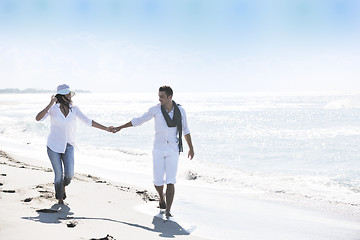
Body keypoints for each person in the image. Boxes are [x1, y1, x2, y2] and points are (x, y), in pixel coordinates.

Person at [113, 86, 194, 217]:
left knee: (170, 181)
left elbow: (186, 129)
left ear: (170, 97)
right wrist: (120, 127)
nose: (159, 98)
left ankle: (168, 211)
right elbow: (139, 120)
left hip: (173, 149)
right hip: (158, 149)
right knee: (157, 181)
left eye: (162, 96)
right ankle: (161, 199)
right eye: (159, 96)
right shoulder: (156, 110)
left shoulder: (180, 111)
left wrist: (191, 147)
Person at [36, 84, 113, 204]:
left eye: (69, 94)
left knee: (69, 175)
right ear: (61, 95)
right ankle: (60, 199)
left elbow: (88, 121)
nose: (69, 96)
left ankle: (63, 187)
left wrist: (106, 128)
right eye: (67, 94)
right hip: (53, 146)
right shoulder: (53, 109)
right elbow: (38, 118)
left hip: (69, 146)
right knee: (58, 175)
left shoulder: (74, 109)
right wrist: (50, 103)